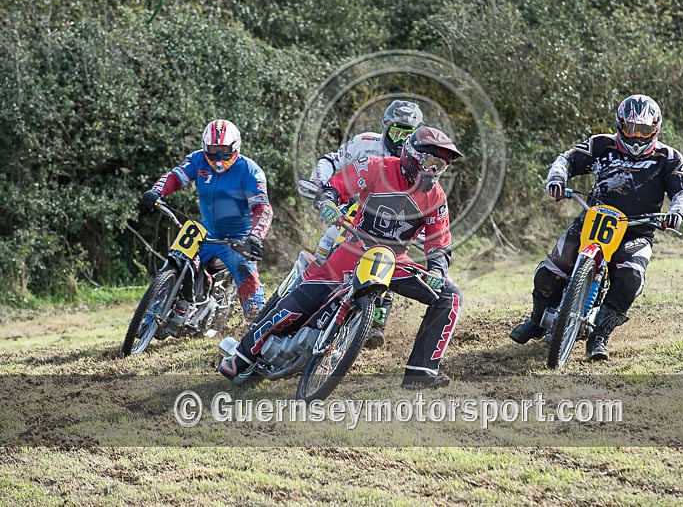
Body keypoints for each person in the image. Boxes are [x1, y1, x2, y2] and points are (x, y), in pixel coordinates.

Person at [220, 126, 464, 389]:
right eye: (430, 161)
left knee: (450, 296)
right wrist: (328, 202)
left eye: (441, 165)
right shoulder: (374, 166)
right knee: (301, 299)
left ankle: (421, 372)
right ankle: (243, 355)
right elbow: (337, 187)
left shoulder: (437, 197)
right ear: (411, 154)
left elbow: (439, 243)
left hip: (394, 262)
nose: (434, 170)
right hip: (354, 248)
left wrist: (438, 271)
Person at [509, 94, 683, 360]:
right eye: (630, 129)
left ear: (655, 129)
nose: (636, 136)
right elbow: (567, 159)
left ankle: (600, 336)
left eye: (643, 130)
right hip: (593, 218)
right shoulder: (601, 145)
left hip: (637, 229)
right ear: (620, 125)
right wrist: (557, 178)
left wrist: (677, 211)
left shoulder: (668, 157)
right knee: (550, 270)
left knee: (630, 278)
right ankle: (537, 319)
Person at [309, 100, 425, 350]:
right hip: (346, 212)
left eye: (409, 134)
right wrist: (321, 185)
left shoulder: (420, 162)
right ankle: (301, 297)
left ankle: (374, 323)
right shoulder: (365, 143)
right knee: (323, 254)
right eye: (397, 132)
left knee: (388, 261)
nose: (402, 140)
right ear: (385, 127)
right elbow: (331, 160)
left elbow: (425, 202)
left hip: (385, 226)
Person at [140, 119, 273, 320]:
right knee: (176, 258)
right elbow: (175, 177)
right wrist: (157, 191)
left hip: (238, 236)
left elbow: (263, 208)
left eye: (224, 151)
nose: (218, 158)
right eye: (213, 151)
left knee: (245, 268)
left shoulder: (250, 170)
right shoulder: (198, 160)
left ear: (235, 147)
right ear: (204, 148)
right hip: (206, 229)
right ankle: (159, 311)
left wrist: (256, 236)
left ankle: (257, 322)